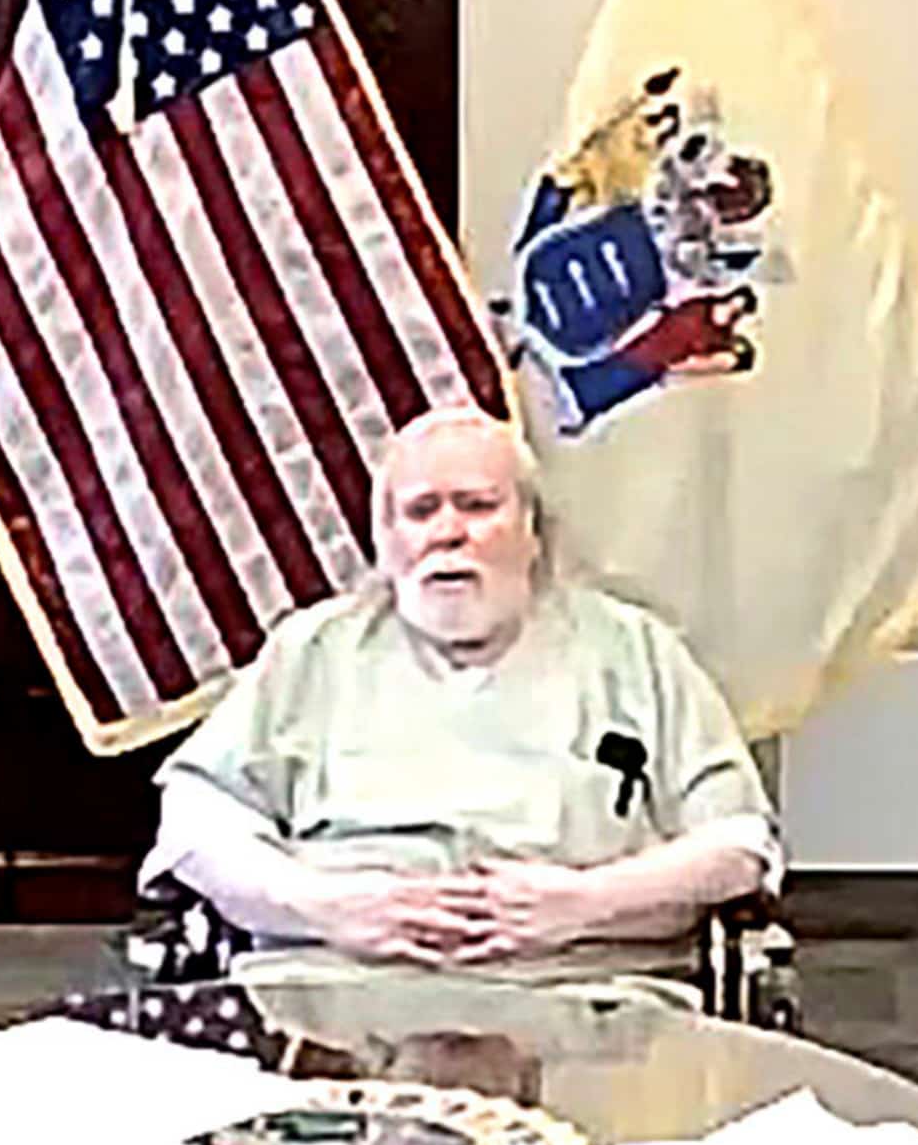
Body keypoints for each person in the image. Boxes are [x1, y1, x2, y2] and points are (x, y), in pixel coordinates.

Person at [143, 404, 776, 977]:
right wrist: (325, 906)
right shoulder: (311, 653)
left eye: (476, 506)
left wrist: (588, 902)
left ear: (533, 531)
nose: (448, 533)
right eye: (420, 512)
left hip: (587, 998)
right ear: (387, 543)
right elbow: (196, 821)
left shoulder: (636, 653)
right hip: (329, 1000)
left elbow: (737, 843)